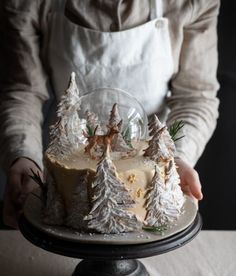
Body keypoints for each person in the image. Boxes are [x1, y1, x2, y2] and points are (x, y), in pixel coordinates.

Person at [0, 0, 219, 229]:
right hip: (68, 164)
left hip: (149, 171)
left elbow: (195, 96)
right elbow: (23, 90)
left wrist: (174, 158)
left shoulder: (194, 3)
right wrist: (23, 154)